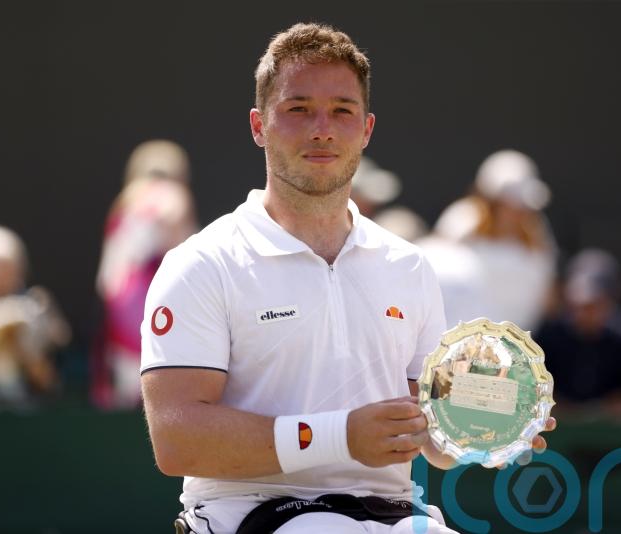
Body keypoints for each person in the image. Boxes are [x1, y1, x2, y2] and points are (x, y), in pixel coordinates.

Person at [140, 23, 555, 534]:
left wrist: (490, 428)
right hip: (244, 513)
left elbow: (433, 443)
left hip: (395, 514)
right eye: (298, 109)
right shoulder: (202, 263)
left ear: (366, 128)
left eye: (342, 110)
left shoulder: (408, 265)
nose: (323, 128)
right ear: (258, 125)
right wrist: (339, 436)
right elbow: (177, 440)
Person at [93, 139, 197, 409]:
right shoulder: (171, 196)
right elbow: (188, 253)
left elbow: (107, 280)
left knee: (128, 401)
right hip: (156, 312)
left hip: (119, 316)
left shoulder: (123, 203)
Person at [419, 149, 556, 331]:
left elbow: (547, 293)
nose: (516, 212)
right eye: (508, 203)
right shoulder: (462, 219)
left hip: (515, 343)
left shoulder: (537, 230)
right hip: (460, 340)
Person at [0, 224, 69, 412]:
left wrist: (26, 349)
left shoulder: (37, 306)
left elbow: (51, 383)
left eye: (6, 268)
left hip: (25, 415)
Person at [534, 249, 621, 416]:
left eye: (592, 306)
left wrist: (607, 407)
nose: (582, 313)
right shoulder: (549, 336)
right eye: (576, 305)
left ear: (609, 301)